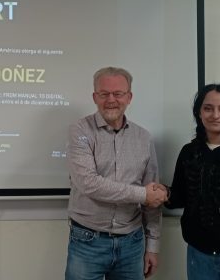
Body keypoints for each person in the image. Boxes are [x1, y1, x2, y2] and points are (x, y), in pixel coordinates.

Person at [65, 67, 166, 280]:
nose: (111, 100)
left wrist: (153, 246)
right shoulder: (80, 131)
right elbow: (89, 183)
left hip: (133, 244)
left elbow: (153, 196)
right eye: (104, 94)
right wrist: (143, 195)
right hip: (87, 242)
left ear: (129, 97)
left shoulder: (144, 138)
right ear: (95, 97)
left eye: (118, 93)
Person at [164, 83, 220, 279]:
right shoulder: (189, 152)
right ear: (199, 113)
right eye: (208, 108)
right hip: (198, 253)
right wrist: (163, 193)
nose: (215, 115)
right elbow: (178, 197)